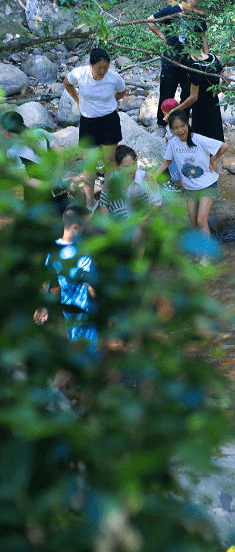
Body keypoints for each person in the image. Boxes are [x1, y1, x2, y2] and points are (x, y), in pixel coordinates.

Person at [35, 204, 99, 363]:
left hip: (72, 317)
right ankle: (56, 386)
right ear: (75, 227)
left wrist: (42, 307)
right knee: (86, 363)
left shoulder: (54, 251)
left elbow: (45, 282)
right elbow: (93, 289)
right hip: (85, 318)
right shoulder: (82, 254)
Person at [64, 48, 126, 210]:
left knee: (110, 162)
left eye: (106, 67)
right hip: (88, 123)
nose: (103, 71)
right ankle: (89, 201)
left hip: (109, 121)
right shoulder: (80, 74)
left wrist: (110, 101)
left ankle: (107, 199)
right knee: (89, 164)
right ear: (91, 65)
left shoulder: (114, 77)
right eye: (99, 67)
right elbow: (67, 83)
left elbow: (122, 91)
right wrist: (77, 100)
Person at [154, 110, 228, 234]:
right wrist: (153, 176)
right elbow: (166, 162)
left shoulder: (199, 139)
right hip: (190, 188)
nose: (180, 130)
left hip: (207, 185)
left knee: (201, 221)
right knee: (193, 223)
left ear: (188, 124)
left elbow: (225, 146)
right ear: (171, 129)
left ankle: (206, 253)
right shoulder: (173, 143)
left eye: (183, 126)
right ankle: (196, 251)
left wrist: (212, 159)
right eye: (176, 128)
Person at [145, 0, 209, 135]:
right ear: (182, 0)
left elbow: (203, 36)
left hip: (189, 61)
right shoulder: (171, 11)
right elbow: (150, 20)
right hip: (170, 60)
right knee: (166, 93)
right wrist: (163, 37)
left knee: (187, 95)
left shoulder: (196, 15)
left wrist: (207, 56)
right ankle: (162, 125)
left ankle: (181, 125)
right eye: (189, 6)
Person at [1, 110, 66, 210]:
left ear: (6, 133)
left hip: (37, 198)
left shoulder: (12, 152)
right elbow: (60, 155)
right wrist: (56, 178)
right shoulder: (41, 133)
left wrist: (47, 186)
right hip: (59, 188)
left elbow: (26, 180)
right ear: (23, 123)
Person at [164, 51, 225, 142]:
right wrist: (216, 92)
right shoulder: (213, 58)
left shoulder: (195, 66)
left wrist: (175, 110)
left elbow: (193, 97)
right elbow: (227, 78)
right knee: (216, 141)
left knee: (200, 143)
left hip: (200, 109)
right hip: (214, 105)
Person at [99, 145, 162, 219]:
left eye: (133, 164)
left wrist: (142, 220)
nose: (131, 169)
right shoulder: (112, 180)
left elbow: (156, 203)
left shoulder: (146, 178)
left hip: (141, 221)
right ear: (118, 166)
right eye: (126, 166)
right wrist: (108, 225)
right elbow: (103, 204)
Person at [159, 98, 182, 192]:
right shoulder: (173, 122)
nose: (164, 116)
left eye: (165, 114)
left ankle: (177, 185)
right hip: (170, 147)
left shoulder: (176, 124)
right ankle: (174, 181)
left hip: (174, 150)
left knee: (174, 166)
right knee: (171, 167)